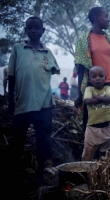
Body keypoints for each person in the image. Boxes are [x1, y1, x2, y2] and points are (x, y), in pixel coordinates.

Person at [7, 16, 60, 184]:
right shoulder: (18, 49)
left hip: (44, 104)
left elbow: (54, 70)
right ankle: (13, 173)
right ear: (26, 30)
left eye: (37, 28)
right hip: (23, 103)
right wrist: (10, 100)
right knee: (18, 140)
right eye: (30, 27)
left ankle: (41, 175)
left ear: (43, 31)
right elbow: (11, 76)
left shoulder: (48, 52)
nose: (33, 30)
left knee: (43, 139)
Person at [74, 7, 110, 137]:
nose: (108, 20)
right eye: (106, 16)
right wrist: (80, 92)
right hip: (92, 85)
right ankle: (92, 153)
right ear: (96, 18)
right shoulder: (83, 40)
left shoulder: (109, 39)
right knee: (92, 119)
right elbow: (81, 67)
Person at [81, 66, 110, 161]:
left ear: (105, 78)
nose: (98, 79)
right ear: (90, 79)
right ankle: (87, 174)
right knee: (87, 156)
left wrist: (97, 98)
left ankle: (102, 175)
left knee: (105, 156)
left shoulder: (108, 88)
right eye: (94, 76)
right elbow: (88, 101)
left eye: (101, 76)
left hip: (106, 128)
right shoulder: (89, 89)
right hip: (92, 129)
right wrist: (103, 99)